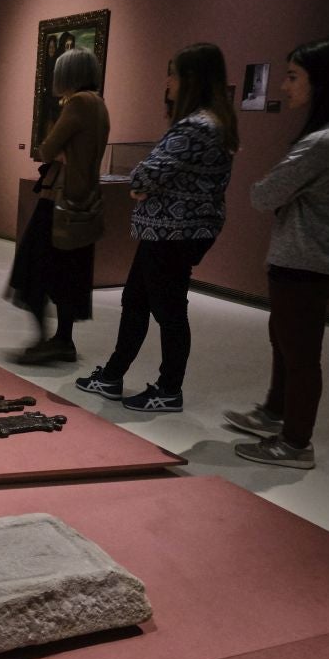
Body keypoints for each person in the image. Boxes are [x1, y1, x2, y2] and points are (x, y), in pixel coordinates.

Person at [226, 36, 329, 469]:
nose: (285, 86)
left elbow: (264, 193)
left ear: (323, 82)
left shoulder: (326, 141)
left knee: (300, 353)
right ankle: (274, 412)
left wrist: (270, 188)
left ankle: (294, 443)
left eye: (293, 77)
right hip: (319, 255)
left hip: (307, 259)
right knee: (286, 339)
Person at [76, 43, 238, 411]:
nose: (167, 81)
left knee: (167, 311)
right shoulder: (215, 122)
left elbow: (144, 177)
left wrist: (141, 186)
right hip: (173, 231)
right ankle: (114, 374)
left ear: (191, 79)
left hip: (172, 232)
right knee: (137, 301)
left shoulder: (195, 126)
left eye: (173, 73)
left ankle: (168, 389)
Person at [7, 47, 110, 364]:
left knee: (32, 270)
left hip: (58, 202)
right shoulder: (100, 104)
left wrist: (56, 148)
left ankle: (47, 340)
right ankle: (63, 339)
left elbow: (46, 148)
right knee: (70, 274)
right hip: (83, 200)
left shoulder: (78, 103)